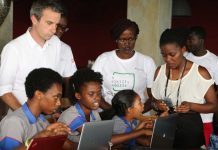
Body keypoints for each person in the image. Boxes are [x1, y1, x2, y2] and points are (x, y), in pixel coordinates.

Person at [0, 0, 76, 112]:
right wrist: (27, 117)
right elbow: (3, 90)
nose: (54, 30)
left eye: (57, 24)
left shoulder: (55, 43)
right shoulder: (14, 49)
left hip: (49, 117)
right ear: (34, 19)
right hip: (21, 120)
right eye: (49, 23)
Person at [151, 28, 218, 148]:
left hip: (190, 131)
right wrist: (157, 104)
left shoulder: (200, 73)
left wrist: (191, 106)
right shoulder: (159, 71)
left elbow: (214, 106)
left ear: (183, 49)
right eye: (164, 55)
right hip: (164, 129)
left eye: (172, 54)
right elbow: (153, 101)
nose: (168, 59)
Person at [92, 19, 156, 115]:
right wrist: (112, 112)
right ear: (116, 39)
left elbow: (153, 97)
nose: (127, 43)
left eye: (131, 39)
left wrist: (135, 113)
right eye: (122, 39)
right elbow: (92, 90)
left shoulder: (147, 62)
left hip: (137, 117)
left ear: (136, 37)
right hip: (108, 115)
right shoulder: (103, 59)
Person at [0, 68, 76, 150]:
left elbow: (73, 147)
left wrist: (61, 135)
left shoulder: (41, 120)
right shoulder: (14, 121)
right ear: (39, 94)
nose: (59, 103)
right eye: (56, 97)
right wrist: (36, 139)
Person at [186, 26, 218, 147]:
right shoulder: (184, 58)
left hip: (205, 116)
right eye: (187, 39)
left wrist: (209, 102)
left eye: (191, 39)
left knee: (205, 145)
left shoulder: (214, 61)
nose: (188, 42)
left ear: (201, 40)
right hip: (186, 114)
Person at [57, 68, 102, 146]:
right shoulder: (70, 115)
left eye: (99, 93)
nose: (97, 98)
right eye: (91, 94)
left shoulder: (95, 113)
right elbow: (97, 138)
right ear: (78, 95)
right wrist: (131, 134)